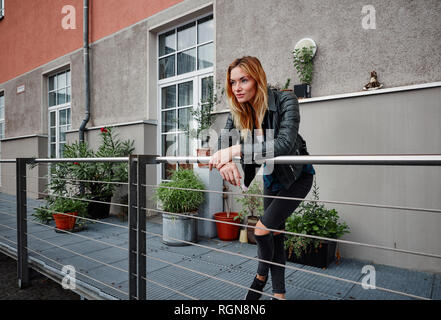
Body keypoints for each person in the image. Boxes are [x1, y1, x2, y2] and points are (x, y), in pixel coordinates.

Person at [209, 56, 315, 300]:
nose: (237, 88)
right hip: (271, 179)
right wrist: (225, 161)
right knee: (276, 235)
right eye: (233, 82)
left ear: (258, 79)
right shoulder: (238, 111)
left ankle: (260, 276)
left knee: (261, 231)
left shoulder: (286, 99)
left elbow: (284, 144)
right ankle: (279, 295)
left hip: (297, 177)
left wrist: (234, 152)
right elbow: (224, 145)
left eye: (243, 80)